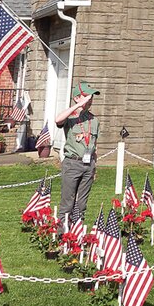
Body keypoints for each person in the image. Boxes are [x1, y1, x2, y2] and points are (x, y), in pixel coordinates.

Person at [54, 81, 100, 228]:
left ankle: (77, 232)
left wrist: (94, 167)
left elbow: (94, 146)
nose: (90, 100)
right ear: (76, 98)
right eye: (86, 97)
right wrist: (78, 106)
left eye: (91, 98)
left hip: (88, 164)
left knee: (81, 203)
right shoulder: (70, 117)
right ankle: (63, 236)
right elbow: (58, 120)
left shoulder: (94, 120)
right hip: (72, 163)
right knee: (68, 202)